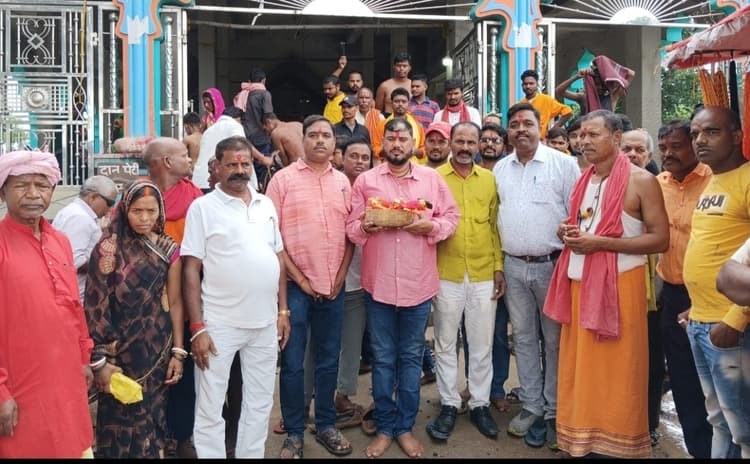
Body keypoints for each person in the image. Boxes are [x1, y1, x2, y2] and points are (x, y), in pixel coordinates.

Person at [544, 109, 669, 458]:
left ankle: (617, 445)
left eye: (592, 134)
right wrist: (567, 230)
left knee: (618, 374)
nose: (583, 141)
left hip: (620, 290)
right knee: (582, 372)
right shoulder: (584, 179)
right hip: (579, 288)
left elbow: (660, 240)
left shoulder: (641, 181)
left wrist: (600, 244)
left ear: (615, 138)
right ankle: (584, 439)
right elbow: (586, 224)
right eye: (581, 135)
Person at [346, 117, 460, 458]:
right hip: (379, 286)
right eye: (391, 138)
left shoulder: (431, 179)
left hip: (418, 285)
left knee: (410, 358)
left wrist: (431, 227)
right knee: (382, 359)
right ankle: (385, 427)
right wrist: (366, 227)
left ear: (414, 144)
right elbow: (351, 227)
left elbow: (451, 218)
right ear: (383, 143)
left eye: (403, 139)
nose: (397, 144)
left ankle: (405, 427)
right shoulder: (366, 181)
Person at [181, 136, 289, 458]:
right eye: (232, 164)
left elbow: (278, 257)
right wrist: (197, 327)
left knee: (259, 402)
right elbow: (191, 269)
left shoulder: (265, 204)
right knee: (210, 404)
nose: (240, 170)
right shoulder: (202, 208)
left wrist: (283, 312)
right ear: (216, 166)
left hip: (265, 324)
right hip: (219, 325)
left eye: (245, 164)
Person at [266, 115, 354, 459]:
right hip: (295, 289)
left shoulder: (343, 182)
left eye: (326, 135)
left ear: (334, 143)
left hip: (333, 288)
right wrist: (301, 280)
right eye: (313, 135)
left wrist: (340, 276)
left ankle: (327, 424)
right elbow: (272, 239)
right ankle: (294, 432)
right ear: (302, 140)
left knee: (329, 360)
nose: (320, 140)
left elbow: (350, 236)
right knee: (292, 363)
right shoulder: (282, 181)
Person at [493, 103, 580, 449]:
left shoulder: (564, 164)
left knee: (555, 339)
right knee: (524, 338)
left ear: (540, 127)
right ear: (508, 131)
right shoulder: (501, 168)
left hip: (553, 266)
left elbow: (578, 215)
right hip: (513, 266)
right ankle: (532, 405)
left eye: (527, 123)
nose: (520, 129)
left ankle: (555, 409)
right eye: (514, 124)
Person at [0, 150, 95, 458]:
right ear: (3, 192)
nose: (32, 194)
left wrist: (84, 358)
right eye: (21, 185)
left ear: (52, 191)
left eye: (41, 185)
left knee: (70, 444)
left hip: (66, 380)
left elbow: (74, 308)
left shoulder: (60, 241)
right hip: (18, 386)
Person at [85, 180, 185, 458]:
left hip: (156, 352)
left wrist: (178, 352)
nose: (144, 218)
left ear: (160, 212)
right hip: (118, 355)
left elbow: (176, 302)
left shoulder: (167, 249)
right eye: (137, 211)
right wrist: (99, 359)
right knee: (120, 423)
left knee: (153, 421)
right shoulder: (108, 249)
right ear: (125, 209)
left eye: (151, 211)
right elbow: (95, 305)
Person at [427, 121, 505, 442]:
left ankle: (479, 404)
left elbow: (494, 226)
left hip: (484, 272)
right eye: (459, 141)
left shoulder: (489, 179)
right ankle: (448, 403)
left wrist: (498, 267)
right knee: (445, 343)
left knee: (481, 343)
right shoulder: (433, 178)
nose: (465, 147)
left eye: (471, 142)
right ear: (450, 143)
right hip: (445, 272)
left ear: (478, 145)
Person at [682, 106, 750, 458]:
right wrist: (694, 308)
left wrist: (736, 318)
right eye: (695, 134)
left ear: (737, 136)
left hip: (731, 326)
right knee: (720, 420)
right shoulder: (713, 180)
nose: (700, 141)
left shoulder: (747, 179)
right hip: (701, 321)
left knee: (743, 427)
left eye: (711, 132)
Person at [654, 119, 712, 458]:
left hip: (712, 297)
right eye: (663, 148)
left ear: (693, 144)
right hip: (673, 295)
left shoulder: (715, 180)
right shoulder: (657, 184)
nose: (668, 154)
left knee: (717, 386)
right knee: (684, 382)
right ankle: (699, 451)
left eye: (676, 147)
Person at [142, 136, 203, 458]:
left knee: (184, 371)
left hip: (185, 297)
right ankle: (150, 434)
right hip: (144, 303)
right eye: (183, 155)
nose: (190, 160)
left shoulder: (195, 199)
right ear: (167, 162)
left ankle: (182, 435)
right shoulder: (138, 197)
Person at [620, 127, 665, 446]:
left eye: (639, 150)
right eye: (627, 149)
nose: (633, 155)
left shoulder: (658, 185)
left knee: (649, 361)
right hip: (620, 286)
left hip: (656, 289)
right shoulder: (605, 186)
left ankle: (648, 424)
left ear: (649, 155)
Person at [334, 137, 373, 425]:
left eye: (365, 157)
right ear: (341, 158)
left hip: (362, 279)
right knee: (325, 344)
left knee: (352, 343)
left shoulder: (374, 187)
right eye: (354, 156)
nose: (359, 162)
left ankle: (342, 395)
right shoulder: (334, 187)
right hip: (329, 279)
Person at [476, 123, 512, 413]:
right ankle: (475, 386)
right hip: (479, 263)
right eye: (485, 139)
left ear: (503, 144)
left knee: (500, 332)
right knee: (476, 332)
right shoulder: (471, 174)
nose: (489, 144)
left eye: (495, 140)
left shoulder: (508, 172)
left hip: (509, 260)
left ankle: (497, 387)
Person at [52, 175, 119, 301]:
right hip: (77, 295)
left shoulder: (78, 213)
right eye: (110, 203)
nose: (110, 208)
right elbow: (74, 262)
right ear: (93, 197)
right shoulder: (80, 217)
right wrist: (104, 263)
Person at [194, 106, 260, 194]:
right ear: (238, 119)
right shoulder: (234, 125)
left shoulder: (208, 130)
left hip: (199, 181)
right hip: (217, 182)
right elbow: (242, 145)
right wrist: (263, 158)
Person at [555, 55, 636, 115]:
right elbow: (559, 91)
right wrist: (577, 77)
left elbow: (631, 74)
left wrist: (605, 64)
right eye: (596, 84)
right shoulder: (583, 97)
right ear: (590, 84)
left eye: (602, 85)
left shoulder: (612, 97)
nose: (599, 88)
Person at [236, 67, 276, 181]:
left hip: (245, 137)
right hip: (261, 138)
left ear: (249, 81)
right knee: (263, 169)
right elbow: (268, 115)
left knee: (246, 167)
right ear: (263, 81)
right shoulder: (265, 94)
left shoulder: (243, 95)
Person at [372, 87, 425, 163]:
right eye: (397, 101)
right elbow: (375, 149)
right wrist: (390, 150)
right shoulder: (382, 125)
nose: (400, 104)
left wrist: (413, 151)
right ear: (391, 103)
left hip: (413, 166)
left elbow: (424, 149)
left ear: (408, 103)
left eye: (403, 101)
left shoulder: (417, 125)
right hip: (389, 165)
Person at [519, 69, 572, 140]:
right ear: (522, 85)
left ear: (537, 84)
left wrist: (553, 129)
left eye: (531, 84)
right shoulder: (520, 104)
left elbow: (568, 111)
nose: (528, 86)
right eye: (525, 84)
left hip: (541, 140)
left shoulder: (546, 100)